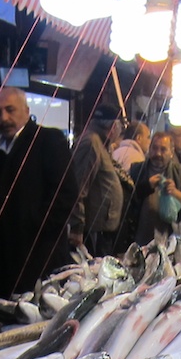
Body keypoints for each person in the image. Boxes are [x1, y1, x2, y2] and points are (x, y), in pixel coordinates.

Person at [0, 86, 78, 296]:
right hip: (6, 262)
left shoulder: (48, 140)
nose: (4, 118)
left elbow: (66, 193)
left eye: (10, 110)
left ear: (26, 111)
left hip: (41, 257)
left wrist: (38, 228)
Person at [71, 104, 127, 256]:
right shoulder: (91, 143)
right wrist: (77, 227)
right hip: (92, 232)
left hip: (99, 230)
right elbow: (78, 187)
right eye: (121, 126)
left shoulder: (100, 143)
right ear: (113, 127)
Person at [124, 130, 181, 247]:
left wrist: (175, 193)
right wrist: (147, 186)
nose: (158, 153)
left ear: (171, 152)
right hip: (138, 241)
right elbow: (125, 198)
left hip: (171, 243)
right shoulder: (135, 170)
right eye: (154, 148)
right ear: (149, 148)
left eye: (163, 149)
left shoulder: (180, 173)